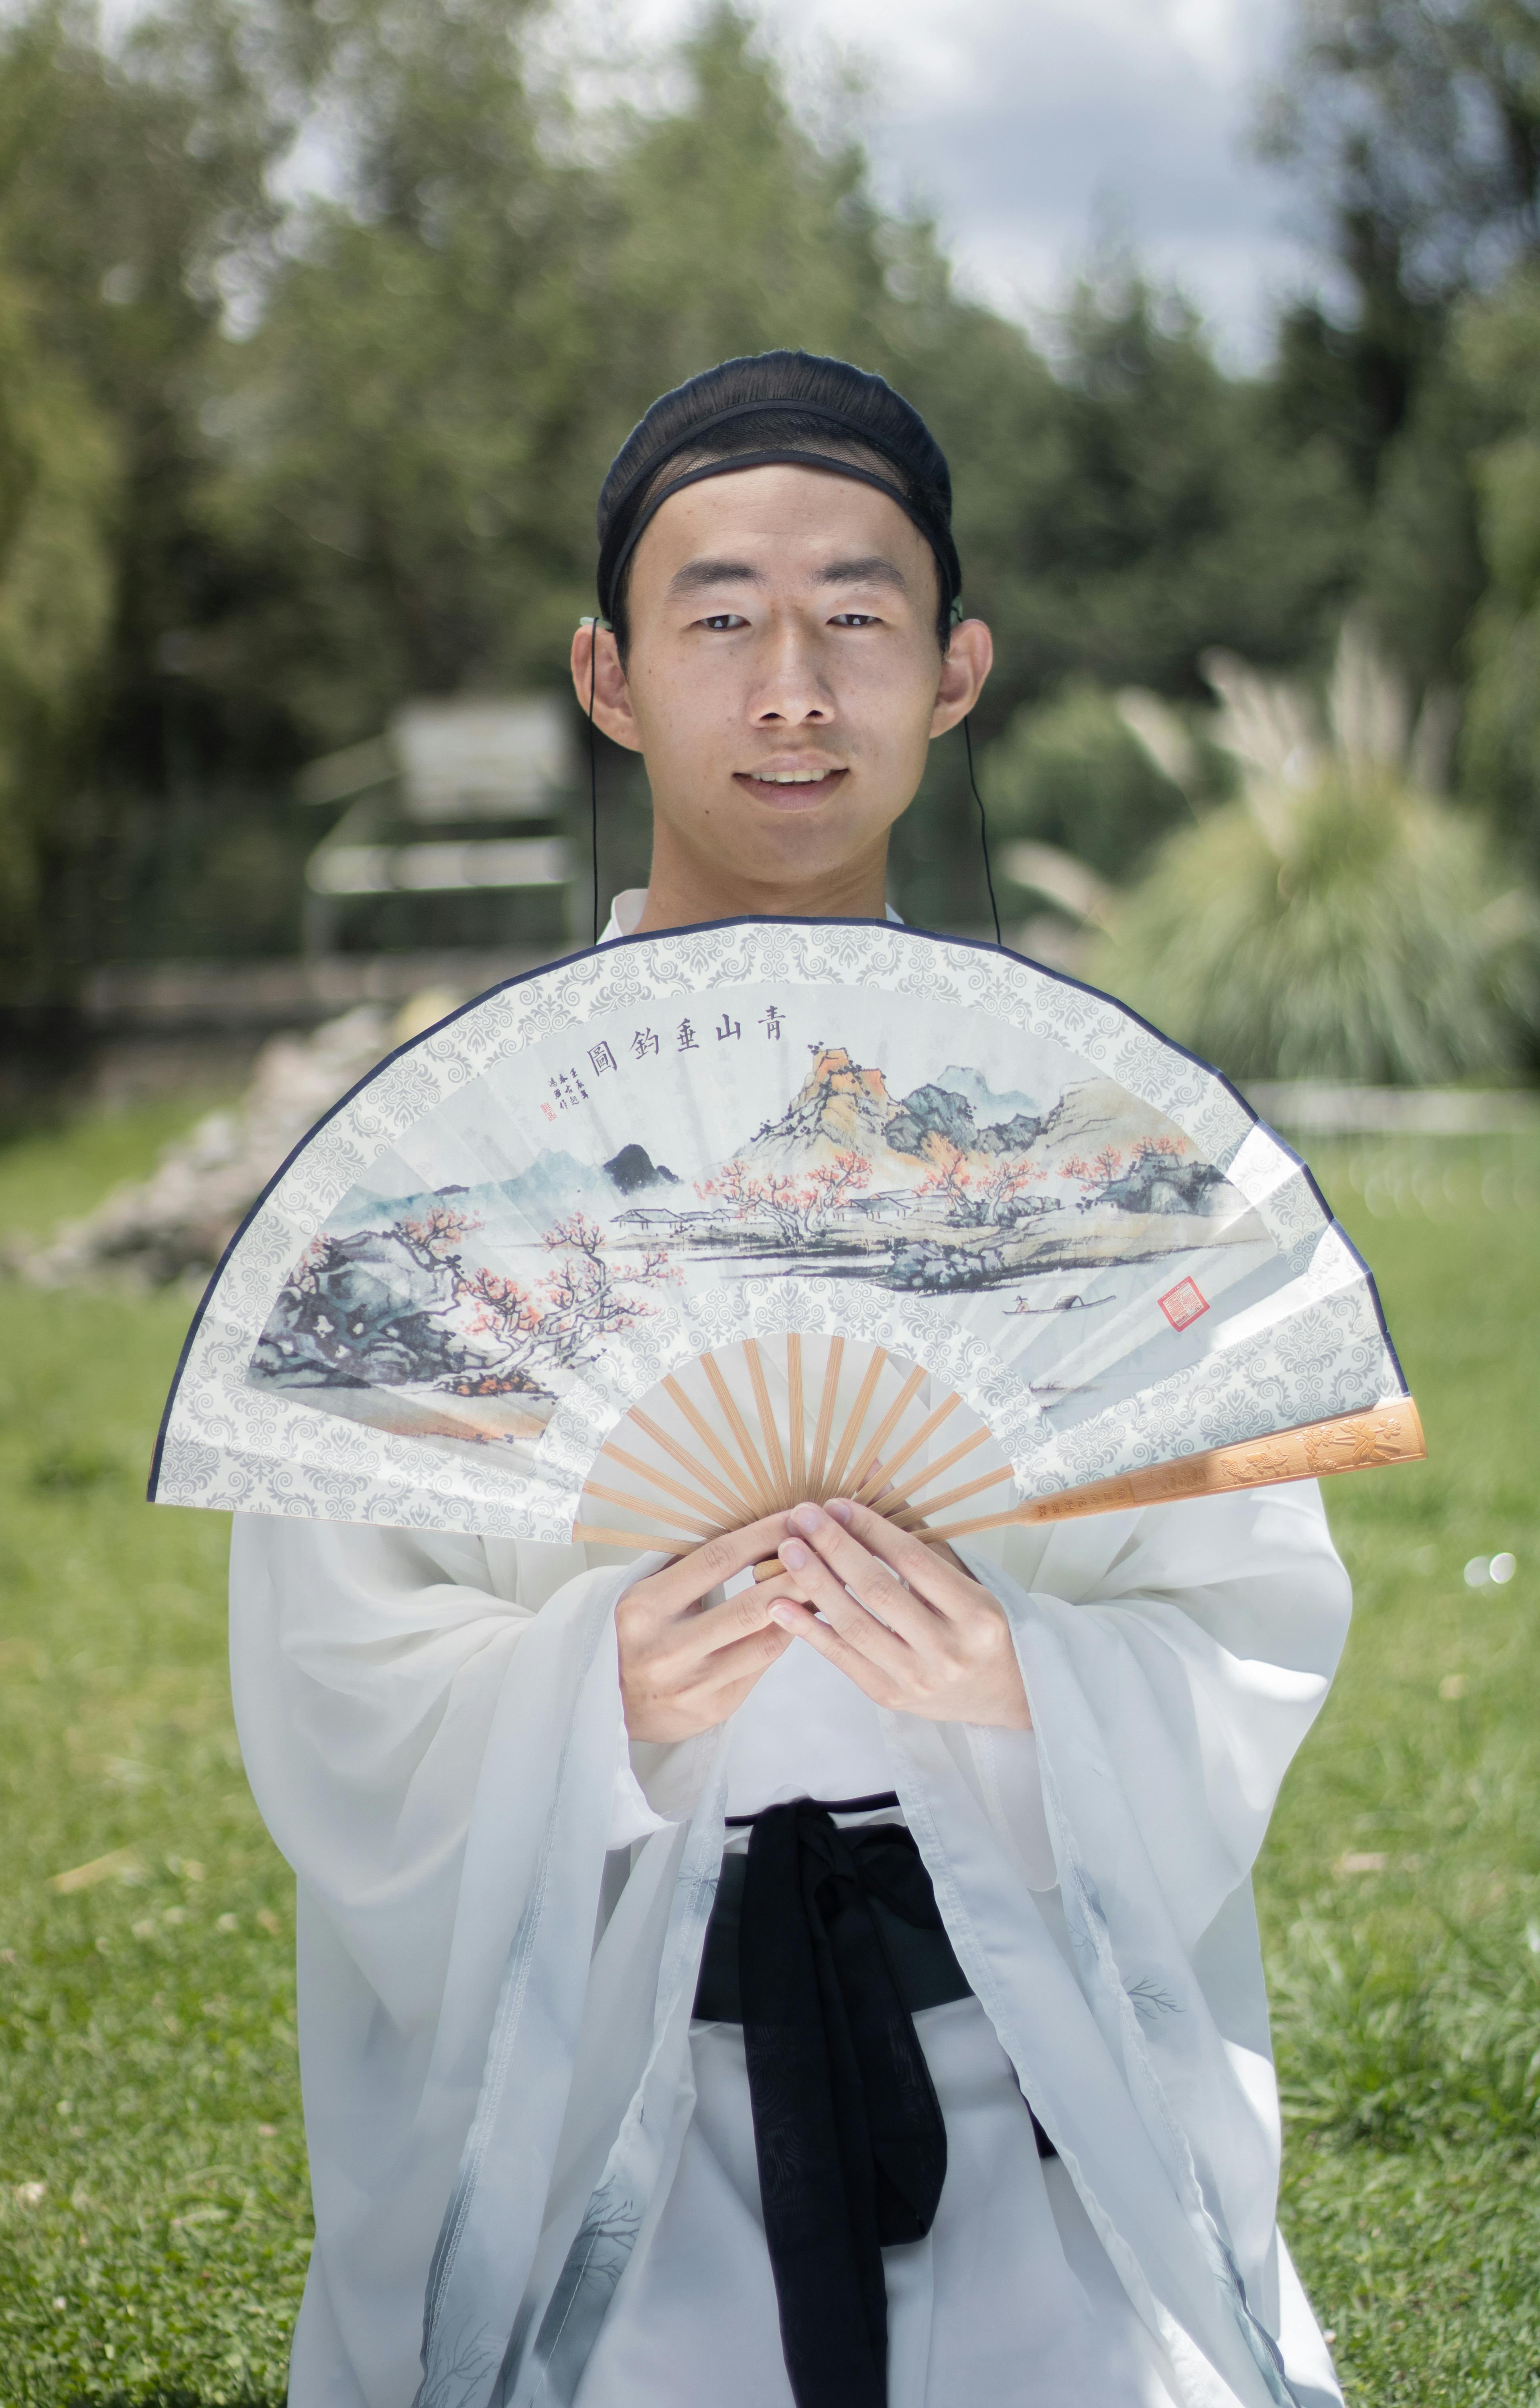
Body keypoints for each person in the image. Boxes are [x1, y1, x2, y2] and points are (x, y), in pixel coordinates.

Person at [230, 350, 1352, 2408]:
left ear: (956, 671)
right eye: (721, 619)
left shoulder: (1090, 1155)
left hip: (1028, 2088)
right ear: (607, 677)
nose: (792, 691)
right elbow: (332, 1683)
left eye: (856, 616)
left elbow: (1250, 1619)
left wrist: (1025, 1680)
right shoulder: (449, 1179)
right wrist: (589, 1694)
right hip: (605, 2096)